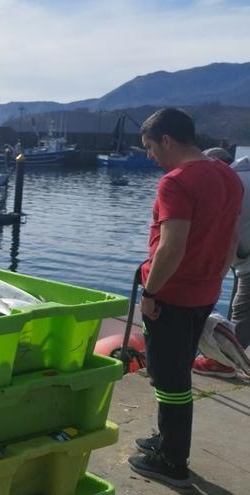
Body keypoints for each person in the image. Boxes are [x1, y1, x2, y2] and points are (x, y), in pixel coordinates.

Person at [129, 108, 242, 487]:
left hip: (171, 296)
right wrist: (214, 279)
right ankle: (166, 439)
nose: (149, 156)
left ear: (167, 140)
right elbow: (230, 241)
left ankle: (173, 461)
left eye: (149, 146)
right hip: (205, 291)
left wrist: (151, 292)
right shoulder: (228, 176)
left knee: (170, 379)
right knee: (174, 369)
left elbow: (171, 247)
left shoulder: (175, 182)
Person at [192, 147, 250, 378]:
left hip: (246, 264)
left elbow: (223, 235)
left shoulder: (233, 185)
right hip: (242, 262)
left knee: (241, 311)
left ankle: (227, 363)